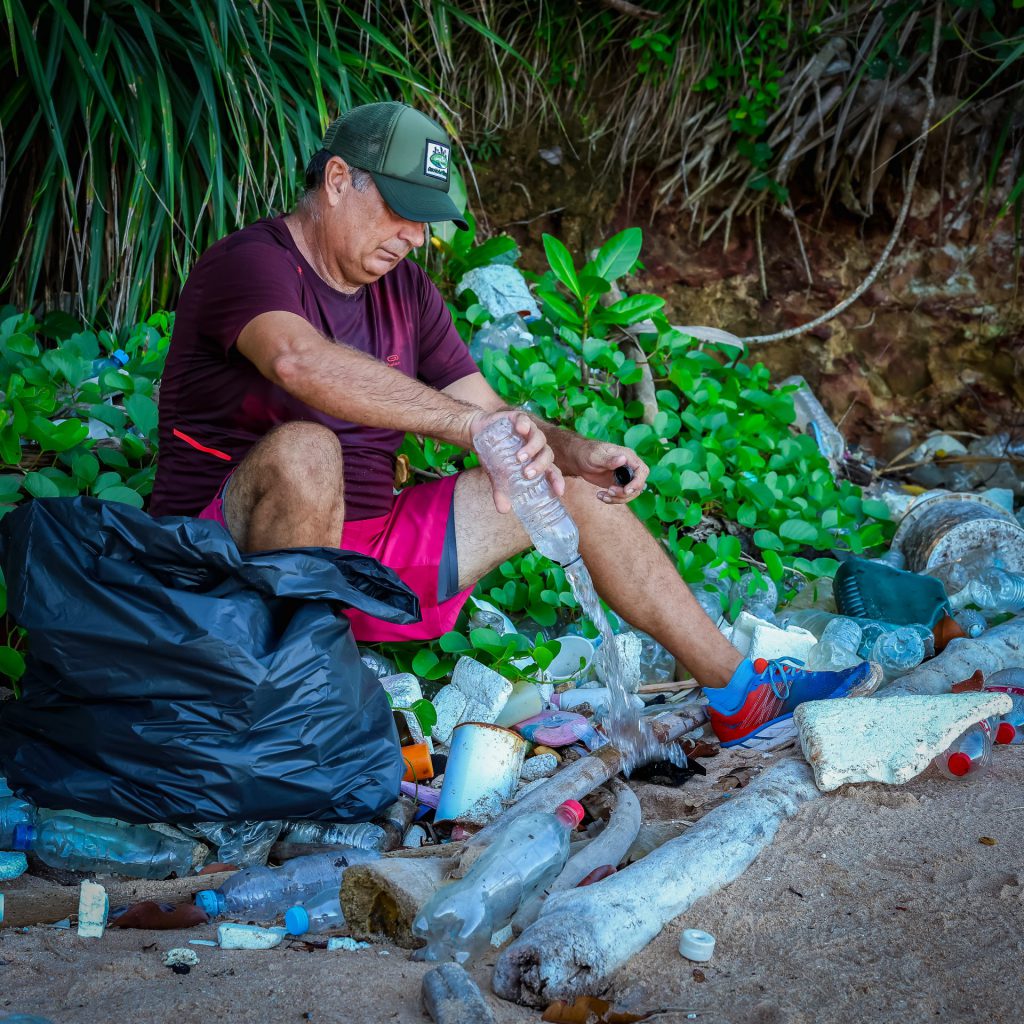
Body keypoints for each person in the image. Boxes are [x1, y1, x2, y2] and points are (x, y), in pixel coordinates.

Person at [151, 101, 878, 750]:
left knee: (557, 482)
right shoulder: (250, 263)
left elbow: (492, 409)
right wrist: (465, 429)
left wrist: (573, 450)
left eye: (423, 220)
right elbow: (298, 363)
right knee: (308, 451)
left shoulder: (405, 288)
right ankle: (286, 719)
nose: (411, 236)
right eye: (399, 210)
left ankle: (740, 693)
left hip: (366, 554)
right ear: (339, 179)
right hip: (226, 562)